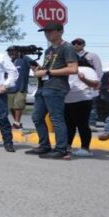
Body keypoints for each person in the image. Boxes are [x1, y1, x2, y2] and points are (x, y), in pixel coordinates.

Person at [26, 23, 79, 159]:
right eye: (45, 32)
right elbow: (49, 68)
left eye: (50, 31)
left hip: (56, 87)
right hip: (43, 86)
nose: (47, 34)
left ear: (60, 32)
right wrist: (39, 70)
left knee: (56, 118)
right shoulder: (49, 50)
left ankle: (61, 149)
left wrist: (47, 72)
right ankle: (44, 146)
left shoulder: (67, 48)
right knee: (37, 117)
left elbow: (73, 69)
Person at [65, 64, 100, 157]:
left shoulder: (86, 69)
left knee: (82, 125)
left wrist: (83, 79)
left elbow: (95, 84)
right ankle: (67, 146)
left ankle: (85, 148)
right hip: (66, 101)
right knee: (68, 125)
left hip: (82, 100)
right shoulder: (64, 69)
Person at [71, 38, 103, 126]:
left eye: (79, 43)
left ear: (84, 45)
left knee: (92, 104)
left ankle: (91, 123)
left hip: (90, 83)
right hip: (75, 84)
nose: (76, 45)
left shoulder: (92, 56)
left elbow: (99, 70)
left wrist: (98, 82)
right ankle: (76, 123)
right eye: (74, 43)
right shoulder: (70, 57)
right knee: (74, 104)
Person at [5, 46, 33, 130]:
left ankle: (16, 123)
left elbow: (34, 66)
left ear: (18, 51)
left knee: (18, 105)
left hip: (21, 88)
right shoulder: (9, 62)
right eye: (9, 51)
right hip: (10, 88)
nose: (11, 53)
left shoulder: (24, 58)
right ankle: (17, 123)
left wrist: (36, 70)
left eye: (13, 51)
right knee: (11, 107)